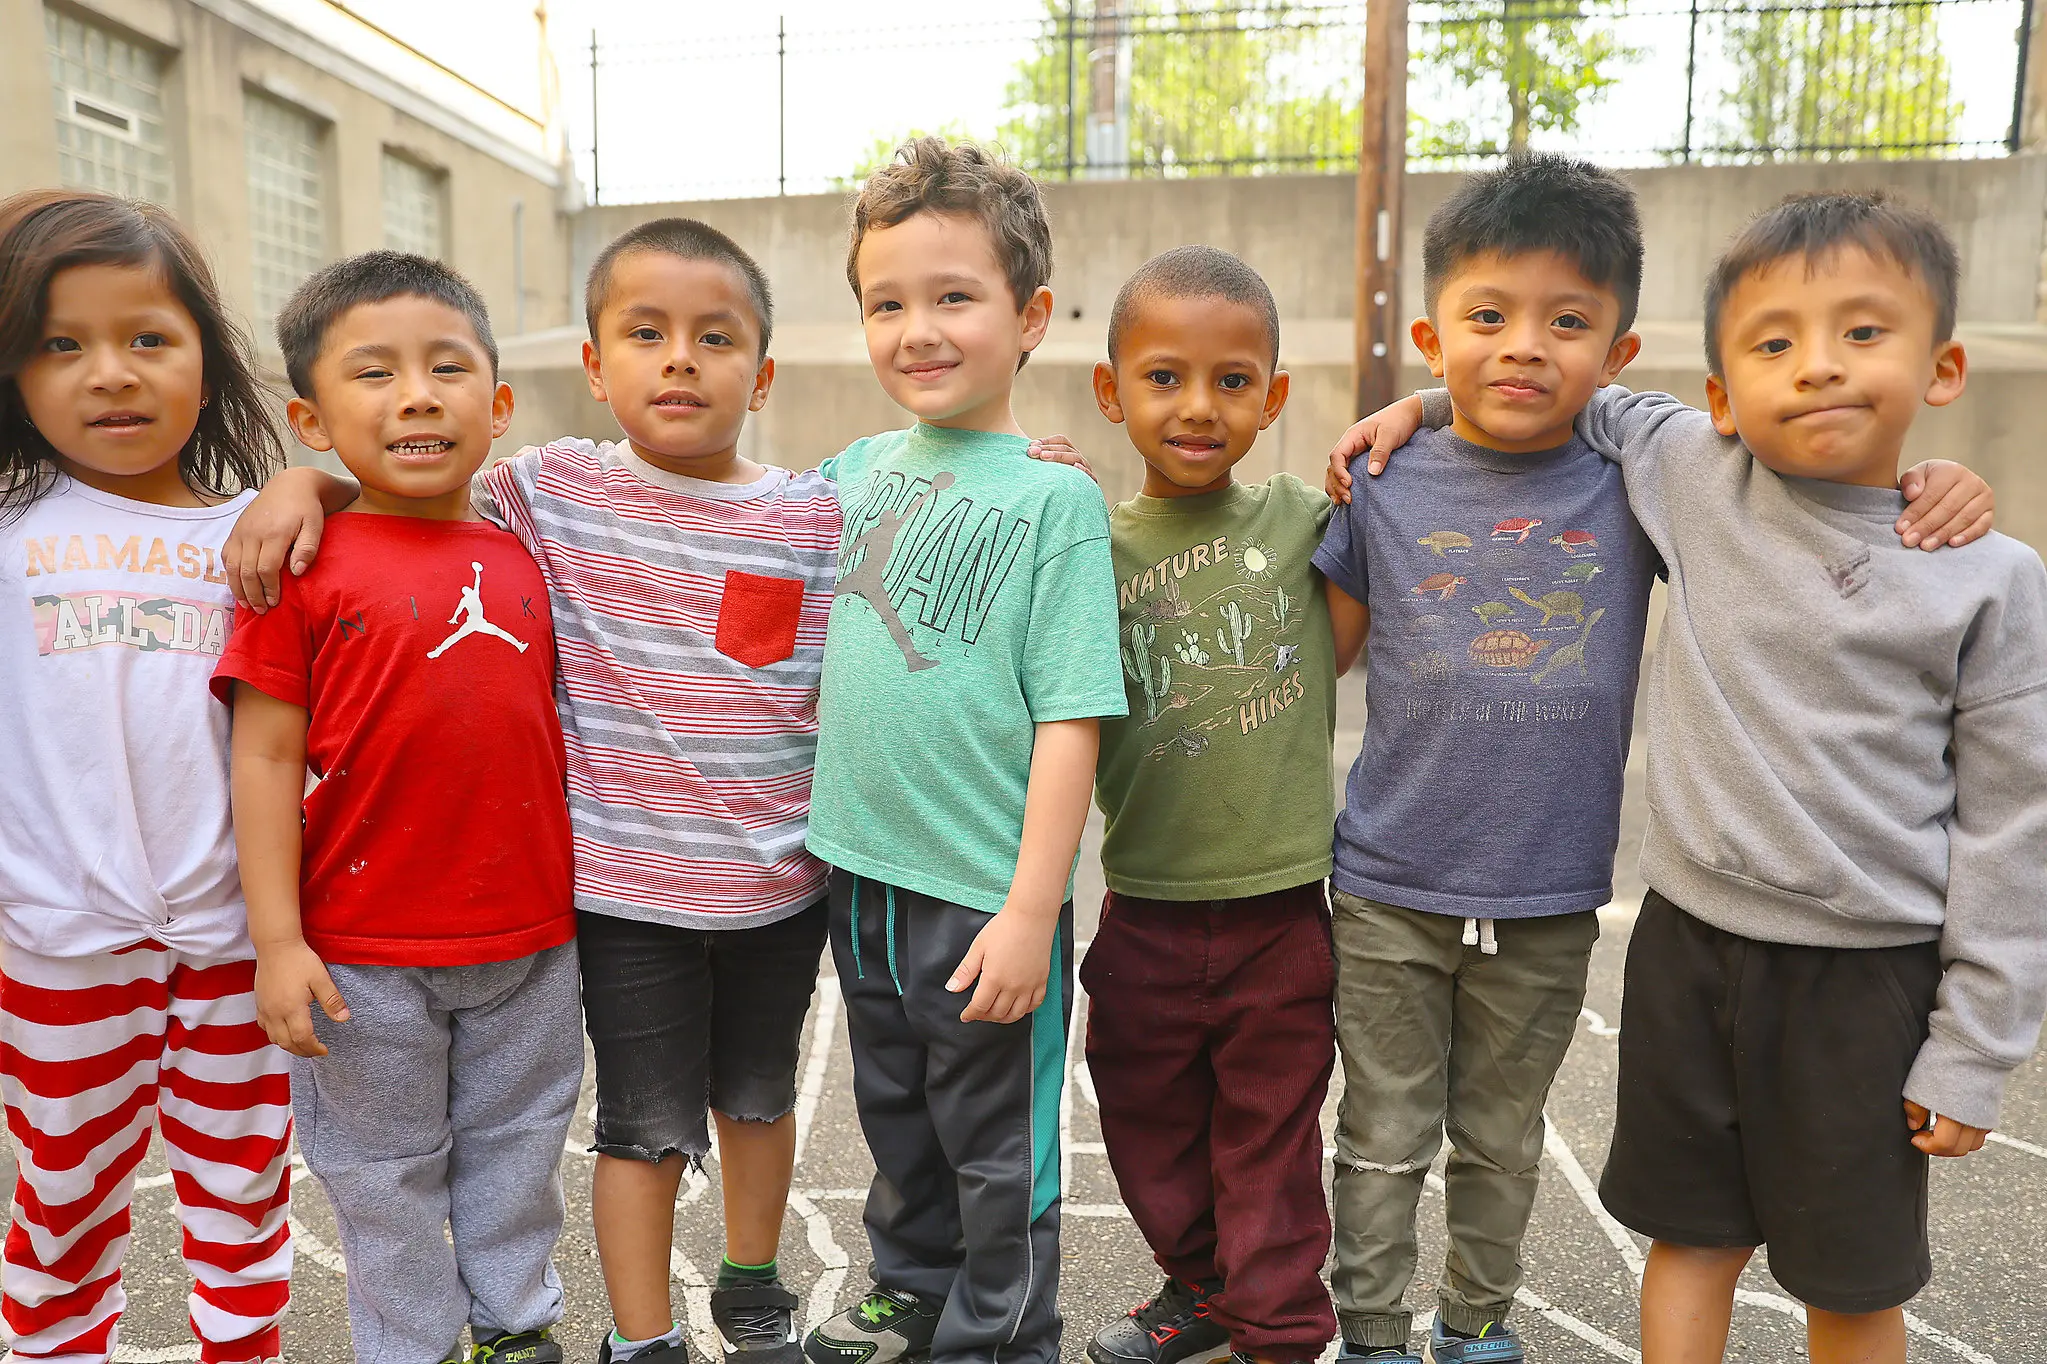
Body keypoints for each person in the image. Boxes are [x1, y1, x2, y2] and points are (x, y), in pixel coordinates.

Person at [1328, 190, 2011, 1364]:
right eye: (1776, 343)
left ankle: (1474, 1320)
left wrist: (1976, 1040)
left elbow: (2013, 823)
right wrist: (1420, 404)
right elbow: (1511, 385)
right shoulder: (1449, 476)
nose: (1816, 369)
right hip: (1538, 911)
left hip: (1731, 936)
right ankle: (1383, 1331)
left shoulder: (1950, 564)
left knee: (1823, 1256)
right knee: (1451, 1156)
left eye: (1861, 334)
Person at [223, 219, 840, 1364]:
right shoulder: (539, 496)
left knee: (569, 1134)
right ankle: (492, 1337)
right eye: (645, 333)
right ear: (593, 368)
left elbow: (909, 520)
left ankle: (554, 1319)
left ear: (760, 374)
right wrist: (293, 481)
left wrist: (1035, 466)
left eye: (713, 338)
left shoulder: (791, 511)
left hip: (654, 910)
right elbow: (390, 483)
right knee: (499, 1147)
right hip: (539, 908)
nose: (678, 359)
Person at [212, 252, 582, 1364]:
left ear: (499, 404)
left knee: (519, 1150)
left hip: (532, 938)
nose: (417, 393)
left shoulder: (532, 549)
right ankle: (411, 1344)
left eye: (447, 367)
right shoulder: (304, 566)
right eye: (374, 373)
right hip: (359, 950)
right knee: (381, 1174)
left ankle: (517, 1326)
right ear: (312, 419)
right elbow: (265, 759)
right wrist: (276, 940)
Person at [799, 137, 1126, 1364]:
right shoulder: (847, 474)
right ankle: (910, 1283)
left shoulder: (1055, 500)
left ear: (1030, 315)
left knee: (1001, 1144)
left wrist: (1034, 907)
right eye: (888, 302)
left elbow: (1071, 715)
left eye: (953, 297)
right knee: (895, 1113)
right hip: (861, 873)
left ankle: (1000, 1332)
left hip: (983, 895)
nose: (917, 329)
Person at [0, 189, 290, 1364]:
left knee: (241, 1190)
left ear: (208, 369)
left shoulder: (258, 537)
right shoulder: (12, 526)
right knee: (63, 1195)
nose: (109, 373)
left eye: (147, 339)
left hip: (232, 936)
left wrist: (308, 483)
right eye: (61, 344)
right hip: (59, 935)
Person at [1078, 245, 1366, 1364]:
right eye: (1162, 377)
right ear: (1111, 393)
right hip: (1144, 904)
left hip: (1279, 912)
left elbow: (1444, 443)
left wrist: (1393, 423)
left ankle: (1284, 1331)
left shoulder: (1303, 516)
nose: (1198, 405)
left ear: (1273, 398)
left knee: (1269, 1139)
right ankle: (1199, 1285)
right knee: (1144, 1120)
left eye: (1232, 380)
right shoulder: (1083, 541)